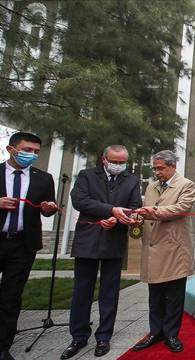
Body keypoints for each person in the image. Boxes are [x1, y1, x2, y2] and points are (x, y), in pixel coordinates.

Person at [62, 145, 142, 359]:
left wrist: (117, 218)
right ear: (104, 160)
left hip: (114, 240)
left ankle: (104, 336)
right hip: (88, 238)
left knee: (109, 292)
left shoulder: (132, 180)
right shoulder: (87, 175)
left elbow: (135, 206)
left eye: (122, 161)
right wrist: (110, 210)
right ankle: (78, 336)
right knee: (82, 291)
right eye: (115, 161)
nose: (119, 165)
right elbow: (80, 201)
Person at [131, 150, 195, 353]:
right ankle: (155, 332)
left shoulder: (187, 185)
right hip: (153, 248)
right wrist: (138, 217)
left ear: (172, 166)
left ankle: (171, 335)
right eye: (155, 168)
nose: (157, 172)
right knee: (155, 296)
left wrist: (153, 212)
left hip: (175, 249)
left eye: (161, 168)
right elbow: (146, 208)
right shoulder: (151, 186)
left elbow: (181, 208)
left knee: (174, 296)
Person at [0, 132, 58, 360]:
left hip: (22, 245)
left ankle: (3, 346)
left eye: (35, 151)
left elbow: (48, 208)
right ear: (11, 149)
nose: (31, 155)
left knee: (11, 296)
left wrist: (48, 209)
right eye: (26, 150)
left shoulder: (43, 178)